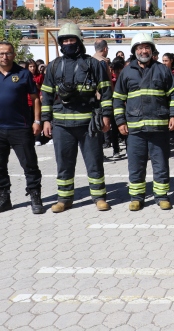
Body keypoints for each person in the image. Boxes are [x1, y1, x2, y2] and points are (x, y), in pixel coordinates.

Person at [40, 24, 113, 212]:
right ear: (60, 43)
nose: (68, 43)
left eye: (71, 40)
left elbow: (105, 92)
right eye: (64, 41)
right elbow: (46, 95)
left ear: (79, 42)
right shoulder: (54, 66)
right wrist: (46, 120)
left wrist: (106, 117)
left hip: (89, 124)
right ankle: (64, 199)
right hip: (61, 125)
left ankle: (99, 197)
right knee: (64, 163)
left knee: (94, 162)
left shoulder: (93, 64)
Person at [0, 41, 44, 215]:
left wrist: (37, 121)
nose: (5, 57)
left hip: (21, 128)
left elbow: (35, 98)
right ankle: (4, 199)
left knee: (30, 165)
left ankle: (35, 197)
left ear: (14, 55)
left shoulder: (24, 74)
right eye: (1, 54)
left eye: (8, 53)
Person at [113, 33, 174, 211]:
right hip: (135, 128)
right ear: (134, 51)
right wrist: (120, 121)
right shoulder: (127, 72)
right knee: (136, 164)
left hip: (159, 127)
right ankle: (137, 197)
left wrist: (173, 115)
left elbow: (173, 94)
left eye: (147, 47)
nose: (143, 50)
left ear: (152, 50)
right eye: (140, 48)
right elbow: (118, 98)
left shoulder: (163, 70)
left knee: (161, 163)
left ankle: (162, 196)